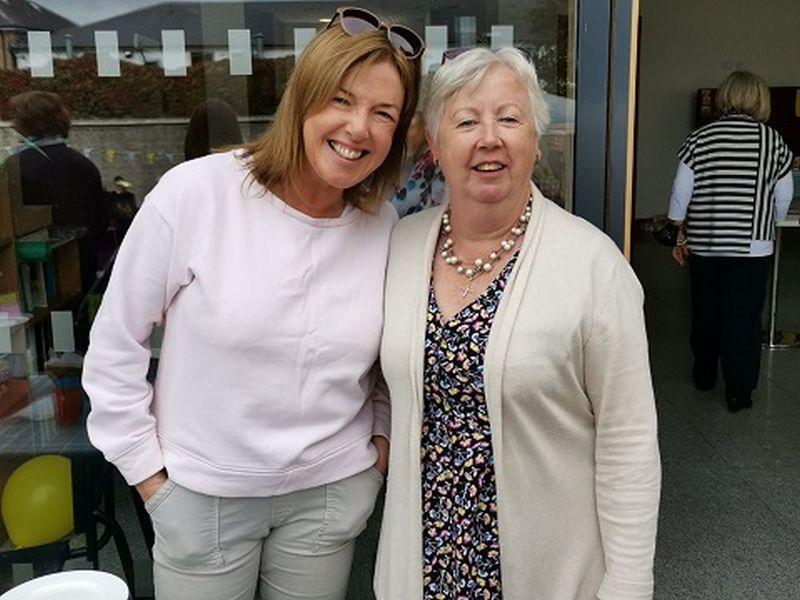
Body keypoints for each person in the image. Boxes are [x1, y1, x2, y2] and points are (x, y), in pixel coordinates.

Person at [82, 8, 423, 599]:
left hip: (329, 497)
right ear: (303, 98)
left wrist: (376, 461)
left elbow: (393, 362)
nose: (358, 127)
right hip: (202, 498)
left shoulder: (384, 224)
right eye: (341, 100)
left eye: (383, 113)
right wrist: (149, 478)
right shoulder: (198, 193)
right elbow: (116, 343)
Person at [375, 47, 660, 599]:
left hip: (549, 575)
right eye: (466, 122)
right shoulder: (399, 248)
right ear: (435, 144)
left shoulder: (593, 265)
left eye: (509, 119)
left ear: (536, 139)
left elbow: (628, 439)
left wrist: (628, 583)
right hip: (422, 572)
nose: (489, 138)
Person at [668, 71, 794, 413]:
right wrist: (772, 221)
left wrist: (678, 227)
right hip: (752, 246)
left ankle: (704, 374)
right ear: (760, 100)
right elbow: (784, 194)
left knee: (705, 310)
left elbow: (681, 190)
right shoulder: (772, 140)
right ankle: (739, 390)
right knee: (744, 317)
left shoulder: (701, 137)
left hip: (706, 242)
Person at [5, 91, 107, 301]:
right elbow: (100, 219)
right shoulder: (83, 164)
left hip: (35, 273)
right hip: (81, 267)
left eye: (15, 117)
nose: (12, 124)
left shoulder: (16, 166)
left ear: (29, 122)